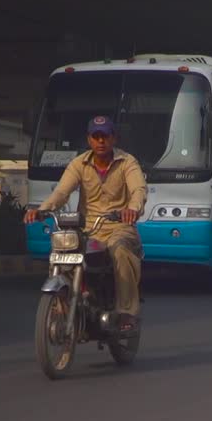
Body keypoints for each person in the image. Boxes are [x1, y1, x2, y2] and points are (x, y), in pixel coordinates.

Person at [24, 116, 147, 331]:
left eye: (105, 136)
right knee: (62, 249)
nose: (101, 141)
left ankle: (127, 312)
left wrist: (132, 210)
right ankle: (67, 300)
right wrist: (42, 210)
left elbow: (138, 190)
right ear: (89, 139)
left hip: (119, 227)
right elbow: (62, 192)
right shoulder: (79, 163)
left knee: (119, 250)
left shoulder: (127, 162)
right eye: (96, 136)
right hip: (88, 228)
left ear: (113, 138)